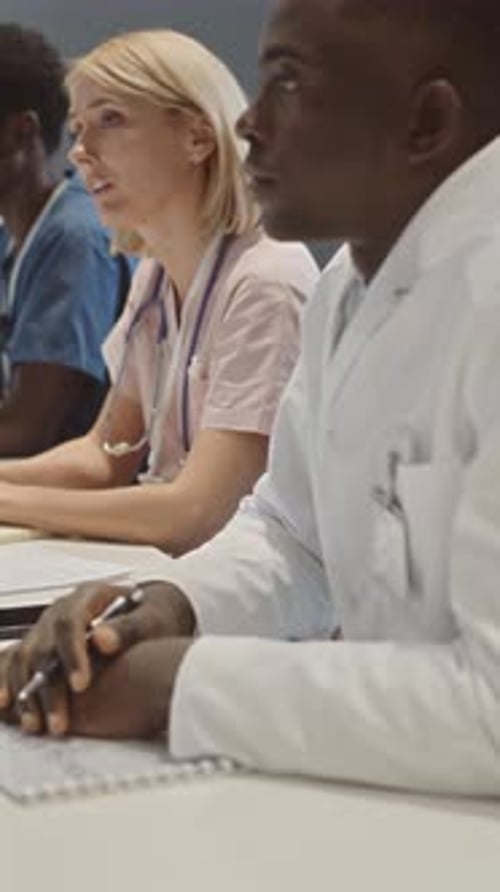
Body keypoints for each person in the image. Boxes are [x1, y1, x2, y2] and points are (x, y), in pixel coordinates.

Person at [5, 0, 500, 797]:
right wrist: (169, 604)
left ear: (428, 119)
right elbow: (292, 535)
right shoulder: (349, 287)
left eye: (290, 84)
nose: (249, 124)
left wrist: (181, 684)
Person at [0, 29, 317, 551]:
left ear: (197, 136)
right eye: (79, 128)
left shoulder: (267, 283)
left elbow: (195, 512)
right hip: (176, 570)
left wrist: (6, 501)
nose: (81, 151)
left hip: (250, 600)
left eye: (110, 120)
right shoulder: (154, 275)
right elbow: (102, 456)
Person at [0, 24, 131, 456]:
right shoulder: (14, 239)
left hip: (74, 502)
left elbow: (26, 432)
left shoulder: (76, 239)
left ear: (20, 133)